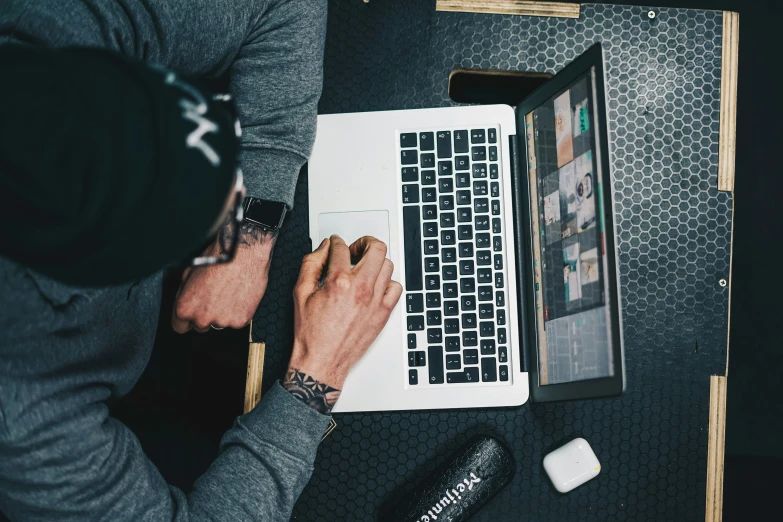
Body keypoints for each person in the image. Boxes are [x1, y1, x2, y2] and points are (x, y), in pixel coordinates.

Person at [0, 5, 403, 522]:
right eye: (195, 226)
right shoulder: (27, 427)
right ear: (92, 274)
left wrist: (249, 236)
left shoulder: (57, 21)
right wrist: (315, 374)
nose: (233, 202)